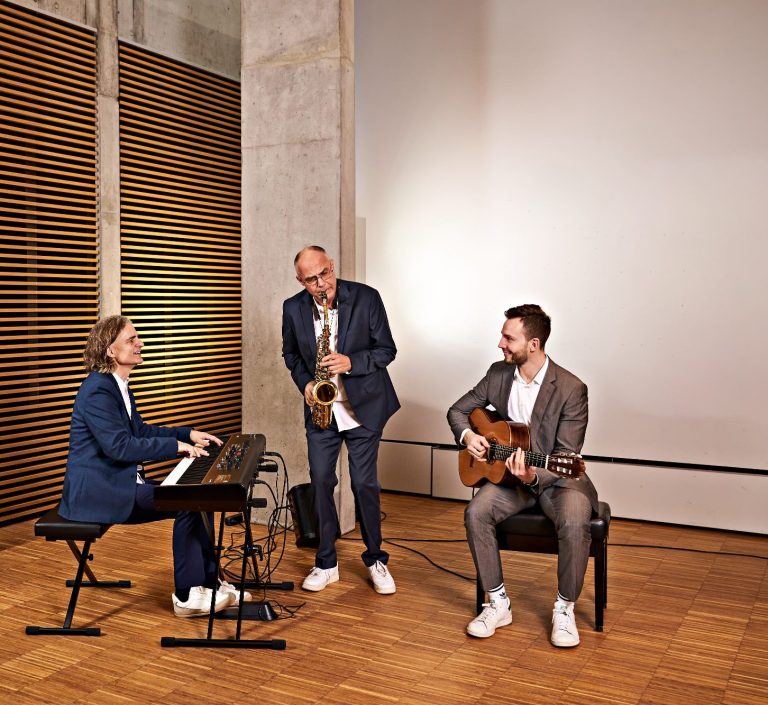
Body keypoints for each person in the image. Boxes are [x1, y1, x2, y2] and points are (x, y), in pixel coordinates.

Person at [60, 315, 249, 617]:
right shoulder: (97, 390)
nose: (141, 343)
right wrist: (176, 447)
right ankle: (187, 597)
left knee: (204, 497)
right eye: (131, 339)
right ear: (110, 351)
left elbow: (140, 432)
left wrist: (186, 434)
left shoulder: (118, 386)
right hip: (98, 493)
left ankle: (209, 585)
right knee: (189, 502)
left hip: (119, 483)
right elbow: (120, 446)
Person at [447, 304, 598, 647]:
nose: (500, 343)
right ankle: (497, 603)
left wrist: (532, 476)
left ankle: (565, 608)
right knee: (476, 512)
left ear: (533, 344)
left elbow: (566, 456)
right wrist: (469, 437)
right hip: (509, 478)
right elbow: (457, 410)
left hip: (557, 479)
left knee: (575, 519)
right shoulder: (498, 373)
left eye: (508, 338)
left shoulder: (572, 388)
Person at [282, 246, 400, 594]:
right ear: (300, 281)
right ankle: (326, 562)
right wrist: (306, 383)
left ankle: (376, 559)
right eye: (311, 280)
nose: (321, 284)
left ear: (332, 265)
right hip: (322, 411)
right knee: (320, 481)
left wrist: (351, 362)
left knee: (364, 484)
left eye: (325, 273)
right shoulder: (292, 308)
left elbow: (386, 350)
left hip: (364, 408)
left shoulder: (366, 297)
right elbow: (290, 354)